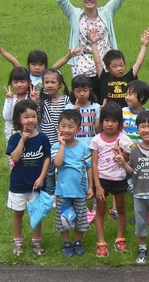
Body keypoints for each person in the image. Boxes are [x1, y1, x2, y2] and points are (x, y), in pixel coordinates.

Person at [115, 111, 149, 266]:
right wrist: (123, 163)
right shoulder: (135, 150)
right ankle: (142, 248)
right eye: (143, 126)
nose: (146, 130)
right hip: (139, 193)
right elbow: (132, 171)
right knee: (141, 222)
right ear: (137, 129)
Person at [6, 99, 51, 257]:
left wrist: (42, 177)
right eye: (26, 117)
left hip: (36, 184)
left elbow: (47, 158)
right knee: (18, 213)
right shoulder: (14, 138)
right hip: (18, 184)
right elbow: (15, 158)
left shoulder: (43, 138)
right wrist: (23, 139)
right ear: (19, 119)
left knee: (36, 213)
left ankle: (36, 240)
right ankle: (18, 240)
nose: (30, 120)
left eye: (33, 116)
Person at [90, 103, 133, 257]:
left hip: (119, 179)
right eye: (106, 120)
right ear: (101, 121)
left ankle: (120, 239)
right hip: (102, 180)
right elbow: (94, 163)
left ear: (120, 124)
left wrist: (121, 153)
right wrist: (97, 186)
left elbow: (130, 157)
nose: (110, 124)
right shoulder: (96, 140)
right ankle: (101, 243)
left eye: (114, 121)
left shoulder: (124, 139)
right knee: (100, 211)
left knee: (121, 210)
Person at [52, 109, 93, 257]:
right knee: (63, 220)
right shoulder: (56, 147)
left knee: (81, 218)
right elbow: (57, 163)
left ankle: (78, 242)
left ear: (78, 129)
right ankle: (66, 243)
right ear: (58, 127)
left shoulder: (83, 147)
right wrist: (62, 145)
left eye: (70, 126)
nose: (66, 130)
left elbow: (89, 168)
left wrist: (91, 187)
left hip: (80, 190)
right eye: (63, 126)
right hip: (63, 191)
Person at [0, 37, 80, 93]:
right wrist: (0, 50)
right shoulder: (25, 74)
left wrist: (69, 56)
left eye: (40, 64)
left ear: (45, 65)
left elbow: (58, 64)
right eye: (34, 64)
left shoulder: (47, 75)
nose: (37, 67)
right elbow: (13, 61)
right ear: (29, 65)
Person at [33, 68, 70, 195]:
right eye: (46, 82)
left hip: (61, 141)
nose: (49, 85)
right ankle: (49, 193)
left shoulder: (65, 100)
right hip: (46, 141)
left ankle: (61, 191)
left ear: (59, 84)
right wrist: (33, 103)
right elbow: (36, 119)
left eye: (53, 82)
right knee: (48, 169)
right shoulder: (41, 101)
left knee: (61, 168)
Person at [90, 28, 149, 107]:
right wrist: (94, 43)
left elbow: (138, 63)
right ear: (107, 68)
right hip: (108, 113)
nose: (119, 68)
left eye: (121, 65)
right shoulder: (104, 77)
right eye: (115, 66)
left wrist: (144, 45)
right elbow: (97, 61)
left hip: (124, 113)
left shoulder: (128, 78)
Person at [65, 75, 101, 148]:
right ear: (73, 92)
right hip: (74, 145)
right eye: (78, 91)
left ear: (90, 90)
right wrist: (73, 113)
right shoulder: (69, 108)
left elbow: (98, 129)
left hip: (91, 144)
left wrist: (102, 114)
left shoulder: (96, 107)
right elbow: (65, 126)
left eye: (85, 90)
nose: (82, 94)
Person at [3, 67, 32, 140]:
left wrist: (33, 101)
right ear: (11, 84)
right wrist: (9, 100)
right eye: (15, 82)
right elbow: (7, 117)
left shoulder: (31, 97)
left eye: (22, 82)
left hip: (29, 133)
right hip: (12, 134)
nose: (19, 85)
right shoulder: (11, 99)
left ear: (29, 82)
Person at [122, 80, 149, 146]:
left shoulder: (148, 114)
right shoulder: (123, 112)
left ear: (141, 97)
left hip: (141, 148)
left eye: (130, 95)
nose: (127, 97)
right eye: (126, 94)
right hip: (124, 148)